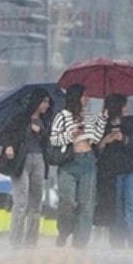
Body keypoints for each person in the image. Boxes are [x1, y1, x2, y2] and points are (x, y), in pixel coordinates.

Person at [50, 83, 105, 248]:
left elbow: (95, 138)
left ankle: (81, 242)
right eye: (84, 95)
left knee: (86, 204)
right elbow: (54, 139)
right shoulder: (62, 116)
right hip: (69, 161)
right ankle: (64, 231)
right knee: (68, 201)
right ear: (76, 97)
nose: (87, 98)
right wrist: (71, 135)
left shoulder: (88, 116)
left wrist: (102, 119)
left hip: (88, 160)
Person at [0, 89, 53, 249]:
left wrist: (41, 131)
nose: (47, 105)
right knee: (21, 202)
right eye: (44, 102)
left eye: (48, 102)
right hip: (21, 161)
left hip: (39, 160)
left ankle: (31, 242)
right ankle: (16, 241)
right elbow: (6, 134)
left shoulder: (46, 120)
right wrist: (8, 146)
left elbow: (50, 140)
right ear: (37, 102)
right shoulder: (20, 119)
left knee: (36, 204)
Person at [96, 94, 133, 249]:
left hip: (130, 170)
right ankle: (117, 242)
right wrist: (105, 141)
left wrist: (123, 138)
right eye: (123, 105)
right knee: (115, 207)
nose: (126, 108)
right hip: (111, 173)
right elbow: (95, 149)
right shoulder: (101, 126)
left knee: (132, 205)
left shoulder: (130, 123)